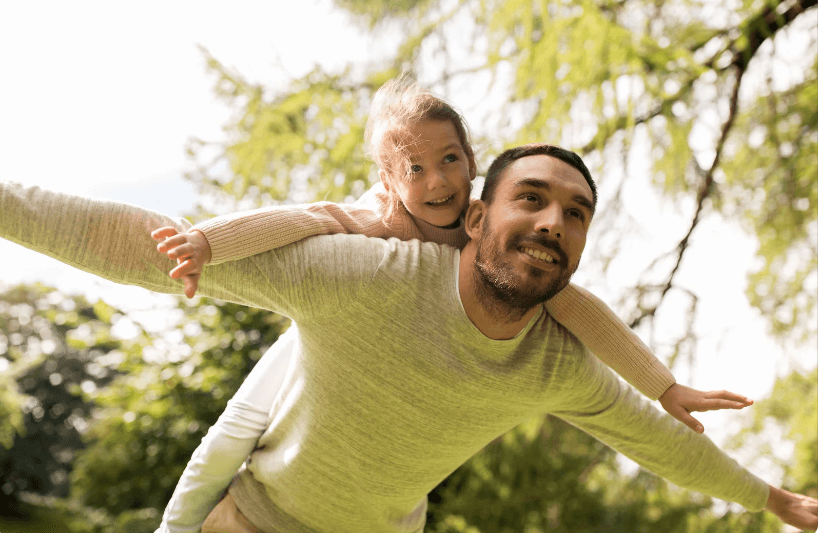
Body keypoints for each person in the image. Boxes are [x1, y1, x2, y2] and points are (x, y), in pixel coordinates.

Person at [0, 145, 816, 532]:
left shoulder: (556, 366)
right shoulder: (364, 273)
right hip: (258, 518)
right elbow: (143, 245)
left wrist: (772, 499)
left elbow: (660, 441)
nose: (551, 222)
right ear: (473, 218)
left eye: (575, 213)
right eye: (530, 197)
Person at [150, 80, 751, 530]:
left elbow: (581, 309)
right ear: (389, 181)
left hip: (387, 443)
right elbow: (296, 220)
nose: (437, 181)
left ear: (471, 164)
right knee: (233, 431)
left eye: (451, 161)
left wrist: (663, 386)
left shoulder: (486, 233)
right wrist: (206, 241)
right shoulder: (376, 220)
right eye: (416, 169)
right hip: (327, 335)